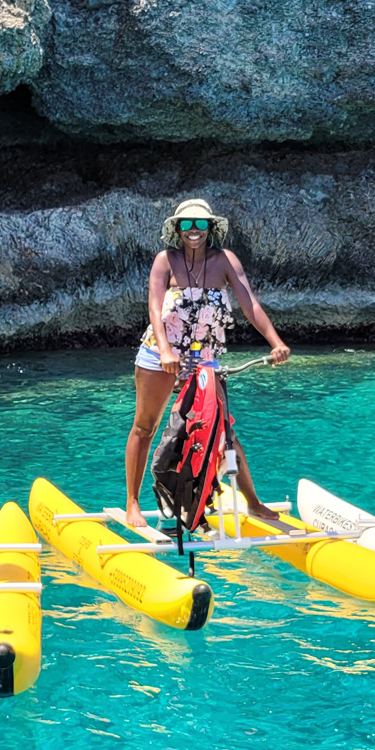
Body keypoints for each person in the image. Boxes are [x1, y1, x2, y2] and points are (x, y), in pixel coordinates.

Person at [125, 198, 290, 523]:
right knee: (145, 427)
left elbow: (250, 306)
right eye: (187, 224)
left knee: (224, 431)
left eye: (201, 224)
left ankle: (253, 503)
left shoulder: (225, 260)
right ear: (177, 228)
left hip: (202, 359)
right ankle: (132, 502)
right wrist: (166, 351)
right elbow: (155, 310)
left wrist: (276, 342)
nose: (194, 231)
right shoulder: (165, 260)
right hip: (159, 355)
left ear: (211, 228)